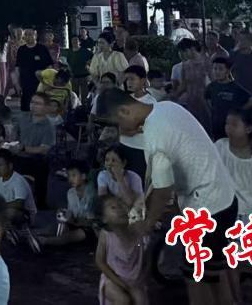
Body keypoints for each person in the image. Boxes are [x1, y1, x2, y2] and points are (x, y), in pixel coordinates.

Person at [99, 89, 238, 305]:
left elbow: (163, 189)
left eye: (118, 123)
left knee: (196, 276)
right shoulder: (166, 107)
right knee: (215, 270)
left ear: (125, 111)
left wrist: (147, 224)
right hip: (224, 196)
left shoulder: (156, 135)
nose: (121, 129)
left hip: (208, 207)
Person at [214, 108, 252, 221]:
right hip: (227, 210)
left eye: (234, 125)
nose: (229, 128)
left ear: (248, 129)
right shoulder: (220, 146)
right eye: (227, 124)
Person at [95, 193, 149, 305]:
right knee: (122, 300)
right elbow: (100, 261)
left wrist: (141, 279)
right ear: (104, 219)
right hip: (112, 280)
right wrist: (120, 283)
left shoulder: (136, 231)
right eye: (113, 207)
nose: (120, 209)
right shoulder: (106, 235)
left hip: (134, 280)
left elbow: (146, 256)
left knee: (140, 300)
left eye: (121, 205)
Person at [37, 159, 96, 248]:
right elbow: (71, 213)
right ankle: (34, 234)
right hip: (74, 223)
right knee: (55, 226)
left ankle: (45, 241)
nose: (70, 179)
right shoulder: (70, 192)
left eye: (74, 175)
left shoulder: (92, 193)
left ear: (83, 176)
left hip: (89, 227)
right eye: (69, 176)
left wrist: (74, 221)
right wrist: (65, 215)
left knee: (72, 235)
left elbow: (90, 221)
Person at [11, 94, 55, 209]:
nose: (33, 105)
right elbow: (14, 133)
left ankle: (40, 202)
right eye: (32, 102)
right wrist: (13, 143)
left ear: (46, 107)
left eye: (38, 103)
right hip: (19, 154)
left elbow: (44, 149)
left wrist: (24, 148)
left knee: (42, 166)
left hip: (37, 158)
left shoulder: (49, 126)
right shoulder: (23, 118)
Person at [204, 56, 252, 139]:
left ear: (228, 71)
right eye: (215, 69)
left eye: (220, 69)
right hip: (216, 125)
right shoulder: (211, 87)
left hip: (232, 125)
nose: (217, 72)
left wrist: (240, 110)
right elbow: (207, 100)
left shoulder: (235, 87)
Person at [0, 148, 36, 230]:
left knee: (10, 212)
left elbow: (19, 203)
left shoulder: (18, 180)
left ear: (10, 166)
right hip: (5, 208)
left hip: (25, 214)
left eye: (0, 165)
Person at [96, 144, 143, 212]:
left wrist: (119, 178)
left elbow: (130, 202)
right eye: (107, 160)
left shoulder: (135, 178)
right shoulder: (103, 175)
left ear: (123, 163)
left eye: (114, 160)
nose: (109, 164)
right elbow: (102, 200)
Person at [14, 28, 53, 102]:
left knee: (40, 105)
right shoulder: (21, 50)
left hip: (40, 84)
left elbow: (49, 66)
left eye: (30, 34)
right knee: (26, 105)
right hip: (25, 84)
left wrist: (48, 82)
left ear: (35, 35)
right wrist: (17, 85)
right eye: (26, 35)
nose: (28, 37)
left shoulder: (42, 48)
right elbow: (17, 68)